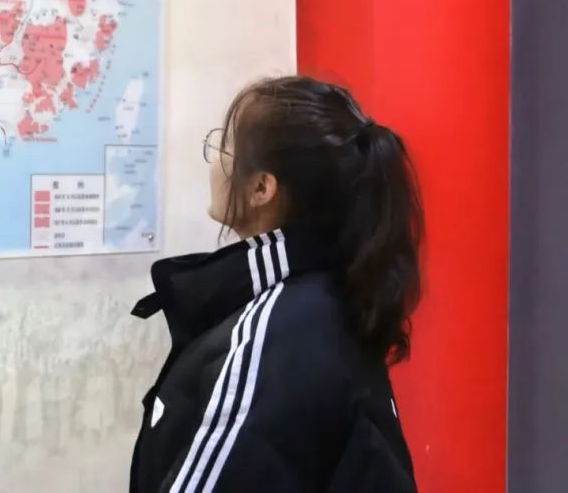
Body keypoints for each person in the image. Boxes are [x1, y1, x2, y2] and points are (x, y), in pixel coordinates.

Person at [130, 77, 421, 493]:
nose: (215, 163)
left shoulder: (268, 340)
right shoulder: (330, 293)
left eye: (225, 147)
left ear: (262, 188)